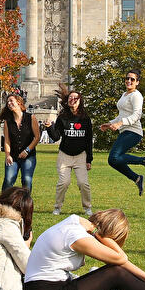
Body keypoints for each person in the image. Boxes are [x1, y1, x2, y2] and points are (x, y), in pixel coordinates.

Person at [99, 69, 145, 196]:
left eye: (132, 79)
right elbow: (121, 115)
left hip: (134, 132)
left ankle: (143, 160)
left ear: (137, 82)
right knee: (113, 160)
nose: (129, 81)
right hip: (125, 131)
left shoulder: (136, 96)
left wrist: (120, 123)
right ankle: (137, 178)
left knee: (113, 158)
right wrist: (110, 123)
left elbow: (136, 115)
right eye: (127, 78)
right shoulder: (124, 95)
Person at [43, 85, 94, 216]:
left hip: (80, 156)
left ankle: (87, 207)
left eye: (76, 98)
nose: (73, 100)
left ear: (80, 101)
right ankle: (57, 207)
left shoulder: (85, 118)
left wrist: (89, 160)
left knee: (83, 183)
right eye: (70, 98)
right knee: (64, 183)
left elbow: (88, 140)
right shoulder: (63, 117)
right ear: (67, 101)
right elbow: (56, 137)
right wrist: (49, 127)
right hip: (64, 155)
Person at [0, 93, 40, 192]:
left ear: (18, 102)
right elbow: (7, 140)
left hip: (28, 156)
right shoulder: (8, 121)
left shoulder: (31, 118)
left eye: (11, 101)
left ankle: (25, 201)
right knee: (8, 180)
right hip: (13, 156)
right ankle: (3, 200)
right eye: (7, 102)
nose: (9, 103)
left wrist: (27, 150)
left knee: (26, 180)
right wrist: (8, 155)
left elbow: (37, 137)